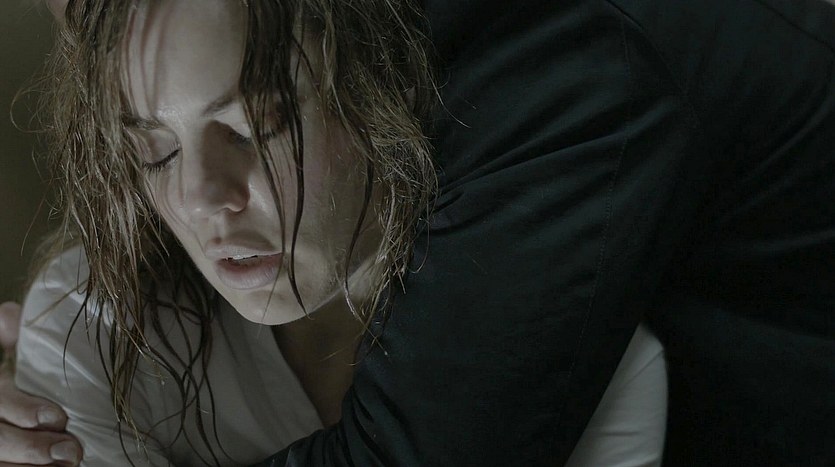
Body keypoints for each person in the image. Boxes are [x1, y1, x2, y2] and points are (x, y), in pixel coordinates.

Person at [4, 0, 835, 465]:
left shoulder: (551, 74)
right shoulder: (85, 317)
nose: (199, 198)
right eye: (150, 150)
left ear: (373, 88)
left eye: (259, 124)